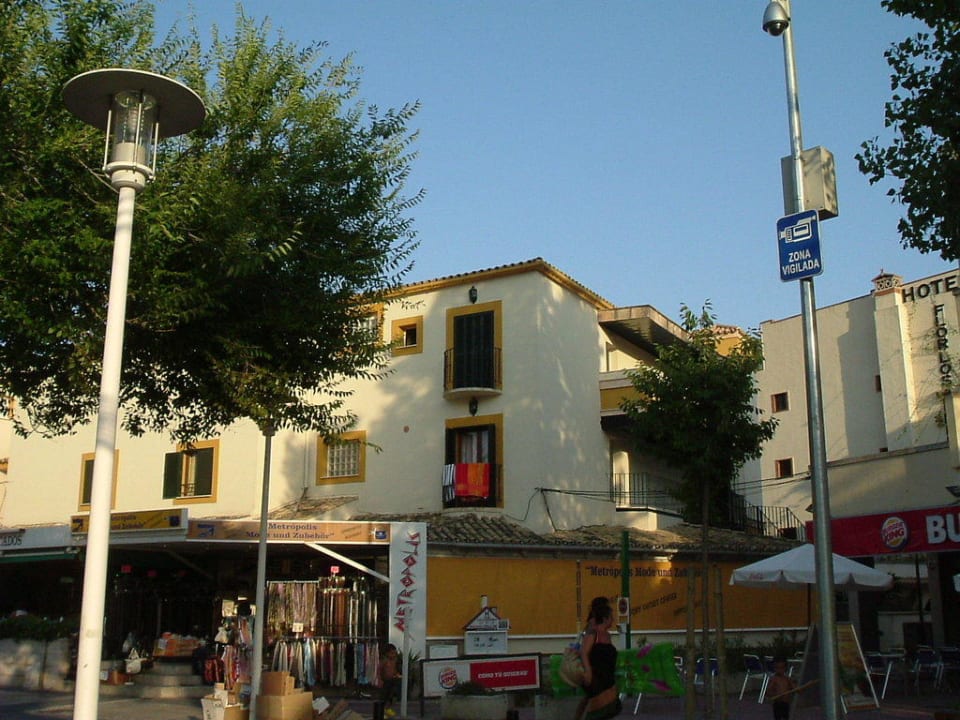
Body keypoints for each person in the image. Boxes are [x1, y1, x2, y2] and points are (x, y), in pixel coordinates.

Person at [577, 597, 620, 720]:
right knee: (600, 708)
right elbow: (584, 652)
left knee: (607, 707)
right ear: (605, 618)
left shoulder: (606, 635)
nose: (613, 620)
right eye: (611, 617)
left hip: (606, 676)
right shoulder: (593, 631)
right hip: (595, 675)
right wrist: (588, 672)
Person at [378, 643, 401, 718]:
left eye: (394, 653)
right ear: (387, 653)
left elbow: (395, 669)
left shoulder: (395, 660)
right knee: (384, 697)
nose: (393, 655)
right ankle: (382, 711)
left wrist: (397, 674)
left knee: (391, 696)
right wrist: (379, 680)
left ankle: (388, 708)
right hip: (385, 681)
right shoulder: (384, 660)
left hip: (392, 680)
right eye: (391, 653)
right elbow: (379, 670)